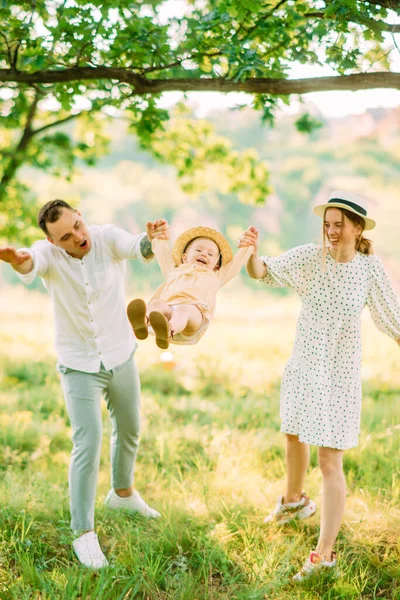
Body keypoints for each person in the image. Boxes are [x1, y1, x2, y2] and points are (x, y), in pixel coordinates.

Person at [0, 200, 168, 569]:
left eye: (78, 225)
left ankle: (122, 494)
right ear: (53, 241)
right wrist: (16, 259)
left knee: (130, 429)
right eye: (65, 235)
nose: (78, 236)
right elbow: (31, 262)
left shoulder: (105, 237)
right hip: (78, 365)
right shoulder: (47, 254)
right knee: (87, 442)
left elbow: (136, 247)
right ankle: (83, 533)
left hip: (119, 354)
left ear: (82, 217)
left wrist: (151, 239)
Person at [241, 190, 400, 581]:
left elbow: (392, 319)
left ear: (357, 228)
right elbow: (264, 272)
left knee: (330, 461)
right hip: (304, 365)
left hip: (339, 376)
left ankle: (323, 555)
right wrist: (249, 253)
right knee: (293, 434)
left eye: (338, 225)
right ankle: (294, 502)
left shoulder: (368, 269)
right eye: (326, 225)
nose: (330, 231)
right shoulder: (311, 258)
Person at [127, 226, 254, 349]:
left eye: (210, 254)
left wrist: (247, 246)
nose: (204, 254)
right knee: (156, 304)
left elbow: (236, 264)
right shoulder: (174, 270)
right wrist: (159, 238)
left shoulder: (216, 276)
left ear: (216, 265)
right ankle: (143, 322)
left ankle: (168, 331)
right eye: (198, 250)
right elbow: (162, 254)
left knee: (183, 310)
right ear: (185, 258)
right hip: (168, 311)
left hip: (195, 315)